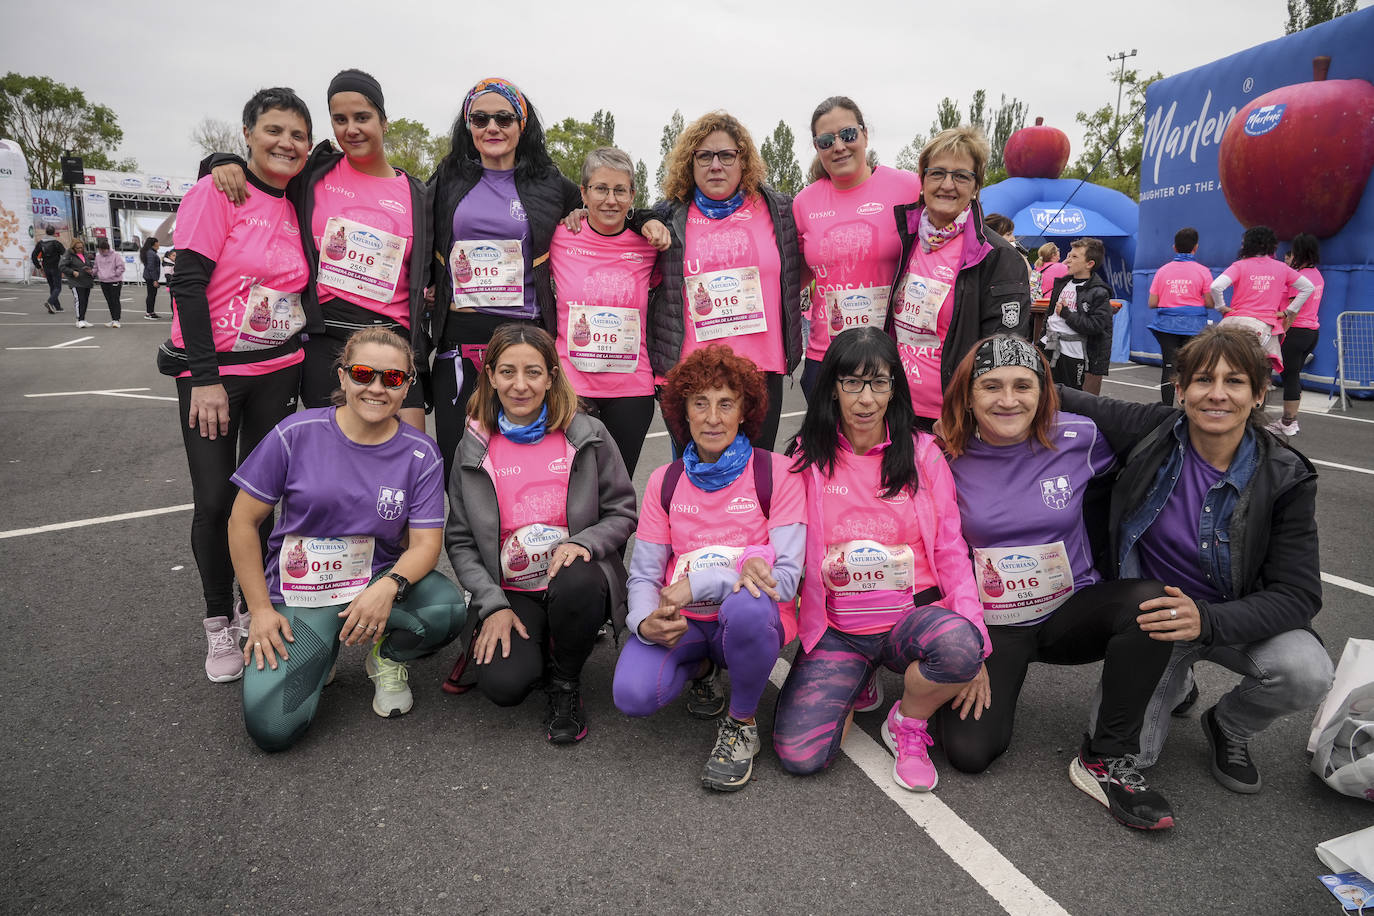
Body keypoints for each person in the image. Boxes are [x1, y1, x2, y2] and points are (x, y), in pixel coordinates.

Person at [1060, 325, 1333, 797]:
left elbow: (1299, 594)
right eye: (1204, 380)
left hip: (1230, 619)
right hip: (1153, 620)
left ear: (1258, 393)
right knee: (1130, 757)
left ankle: (1229, 725)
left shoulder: (1285, 475)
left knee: (1308, 672)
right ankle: (1177, 681)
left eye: (1235, 382)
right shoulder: (1151, 431)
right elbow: (1059, 395)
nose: (1218, 395)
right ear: (1181, 389)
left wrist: (1204, 620)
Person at [936, 334, 1176, 831]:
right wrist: (958, 645)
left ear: (1045, 392)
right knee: (969, 753)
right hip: (993, 626)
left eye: (1024, 386)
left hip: (1071, 610)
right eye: (991, 387)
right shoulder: (941, 453)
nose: (1008, 400)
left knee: (1153, 603)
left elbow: (1170, 427)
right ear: (967, 395)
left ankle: (1106, 758)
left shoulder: (1081, 436)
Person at [230, 328, 465, 751]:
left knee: (447, 608)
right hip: (301, 592)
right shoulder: (294, 433)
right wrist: (260, 610)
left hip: (374, 585)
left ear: (407, 386)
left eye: (393, 379)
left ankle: (386, 656)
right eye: (363, 374)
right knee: (273, 730)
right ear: (342, 378)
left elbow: (426, 546)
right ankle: (322, 651)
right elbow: (242, 523)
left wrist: (388, 588)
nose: (376, 388)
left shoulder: (421, 453)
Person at [774, 327, 985, 793]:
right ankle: (859, 680)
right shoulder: (805, 458)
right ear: (833, 386)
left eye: (879, 383)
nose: (865, 398)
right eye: (853, 382)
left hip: (911, 618)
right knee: (799, 755)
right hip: (839, 627)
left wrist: (977, 638)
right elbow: (778, 539)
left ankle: (907, 724)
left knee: (961, 648)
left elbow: (951, 548)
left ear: (895, 388)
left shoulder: (924, 454)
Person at [162, 87, 313, 683]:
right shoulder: (217, 191)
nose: (287, 144)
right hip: (215, 375)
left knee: (262, 498)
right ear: (248, 133)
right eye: (274, 130)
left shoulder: (296, 195)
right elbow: (189, 285)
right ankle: (218, 622)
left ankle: (260, 608)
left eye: (298, 135)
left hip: (277, 368)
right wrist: (203, 379)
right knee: (214, 500)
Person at [613, 345, 805, 791]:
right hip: (687, 623)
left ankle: (741, 724)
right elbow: (643, 573)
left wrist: (701, 580)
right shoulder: (664, 481)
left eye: (726, 403)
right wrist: (644, 623)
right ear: (684, 413)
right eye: (700, 403)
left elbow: (786, 578)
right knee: (632, 694)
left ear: (745, 411)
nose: (713, 417)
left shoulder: (776, 473)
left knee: (749, 606)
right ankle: (701, 670)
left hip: (747, 618)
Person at [209, 69, 431, 432]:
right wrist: (222, 160)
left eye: (362, 118)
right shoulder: (313, 173)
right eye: (340, 119)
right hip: (326, 343)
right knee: (330, 467)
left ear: (384, 121)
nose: (351, 129)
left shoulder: (419, 195)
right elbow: (263, 171)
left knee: (406, 462)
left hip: (394, 341)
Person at [444, 324, 636, 744]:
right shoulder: (473, 445)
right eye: (508, 372)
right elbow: (459, 540)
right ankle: (531, 639)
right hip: (512, 589)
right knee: (505, 687)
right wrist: (492, 604)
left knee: (579, 578)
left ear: (551, 376)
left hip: (573, 581)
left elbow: (623, 511)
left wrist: (583, 542)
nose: (520, 385)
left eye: (533, 372)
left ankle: (566, 683)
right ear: (490, 375)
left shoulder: (588, 434)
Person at [430, 78, 579, 476]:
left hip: (523, 339)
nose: (492, 127)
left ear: (522, 124)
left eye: (504, 118)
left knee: (521, 464)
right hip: (458, 341)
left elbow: (606, 208)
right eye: (480, 119)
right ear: (468, 126)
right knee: (459, 465)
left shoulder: (549, 181)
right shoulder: (449, 176)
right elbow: (417, 224)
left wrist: (645, 220)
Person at [649, 110, 804, 451]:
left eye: (726, 155)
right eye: (704, 156)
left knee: (755, 481)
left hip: (760, 372)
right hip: (692, 375)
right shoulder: (666, 215)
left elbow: (806, 267)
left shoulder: (779, 211)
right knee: (694, 482)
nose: (715, 165)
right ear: (690, 164)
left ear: (743, 160)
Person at [885, 127, 1032, 427]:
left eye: (961, 176)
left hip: (950, 420)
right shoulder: (905, 238)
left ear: (976, 186)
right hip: (892, 409)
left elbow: (1003, 352)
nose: (947, 185)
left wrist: (968, 418)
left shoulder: (998, 257)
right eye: (937, 173)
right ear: (922, 180)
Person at [792, 96, 921, 400]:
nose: (838, 146)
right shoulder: (804, 203)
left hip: (892, 354)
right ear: (817, 147)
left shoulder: (908, 187)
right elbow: (792, 277)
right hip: (827, 357)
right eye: (826, 141)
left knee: (894, 447)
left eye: (847, 135)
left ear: (865, 135)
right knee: (828, 448)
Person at [550, 147, 661, 474]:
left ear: (632, 196)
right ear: (583, 193)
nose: (610, 199)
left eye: (619, 190)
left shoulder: (649, 244)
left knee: (616, 489)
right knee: (572, 489)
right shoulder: (558, 237)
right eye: (600, 189)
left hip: (631, 390)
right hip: (572, 389)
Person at [1209, 225, 1314, 372]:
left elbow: (1215, 286)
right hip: (1264, 328)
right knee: (1259, 376)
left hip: (1232, 325)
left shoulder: (1239, 266)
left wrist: (1221, 307)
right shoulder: (1282, 268)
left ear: (1247, 244)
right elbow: (1308, 287)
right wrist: (1288, 312)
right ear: (1272, 245)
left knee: (1225, 370)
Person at [1147, 227, 1212, 406]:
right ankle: (1190, 409)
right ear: (1196, 247)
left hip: (1166, 326)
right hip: (1194, 327)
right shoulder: (1203, 271)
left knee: (1169, 366)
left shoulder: (1162, 271)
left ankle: (1166, 411)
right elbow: (1210, 302)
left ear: (1174, 247)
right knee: (1192, 369)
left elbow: (1152, 302)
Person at [1269, 233, 1324, 438]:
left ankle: (1288, 422)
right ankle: (1289, 420)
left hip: (1296, 331)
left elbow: (1293, 311)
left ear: (1298, 252)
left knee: (1290, 376)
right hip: (1311, 332)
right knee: (1293, 376)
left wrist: (1282, 333)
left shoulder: (1299, 278)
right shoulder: (1317, 274)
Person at [1040, 237, 1112, 391]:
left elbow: (1096, 326)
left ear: (1089, 264)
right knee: (1044, 393)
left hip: (1072, 355)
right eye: (1068, 256)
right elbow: (1049, 316)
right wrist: (1041, 339)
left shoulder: (1098, 292)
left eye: (1074, 257)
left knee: (1068, 398)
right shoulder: (1062, 284)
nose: (1068, 261)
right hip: (1048, 345)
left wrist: (1067, 314)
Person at [59, 237, 94, 327]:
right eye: (78, 248)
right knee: (79, 299)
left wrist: (90, 270)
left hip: (86, 280)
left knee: (85, 300)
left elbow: (89, 264)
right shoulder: (68, 255)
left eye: (81, 247)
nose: (80, 249)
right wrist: (72, 272)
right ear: (73, 248)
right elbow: (61, 266)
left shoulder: (85, 254)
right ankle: (79, 319)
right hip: (76, 281)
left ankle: (83, 318)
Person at [31, 225, 65, 313]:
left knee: (52, 287)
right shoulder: (56, 243)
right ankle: (50, 302)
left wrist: (38, 267)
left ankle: (57, 306)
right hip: (56, 267)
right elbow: (65, 254)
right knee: (58, 287)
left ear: (46, 232)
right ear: (54, 232)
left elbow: (34, 256)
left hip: (46, 267)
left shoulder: (40, 243)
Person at [92, 237, 124, 328]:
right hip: (103, 281)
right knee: (109, 301)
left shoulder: (115, 255)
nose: (101, 252)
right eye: (99, 250)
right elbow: (95, 267)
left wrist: (115, 274)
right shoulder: (98, 256)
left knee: (115, 300)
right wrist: (92, 272)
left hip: (115, 281)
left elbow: (121, 267)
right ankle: (113, 319)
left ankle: (116, 320)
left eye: (102, 250)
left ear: (107, 248)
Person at [140, 237, 165, 319]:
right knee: (151, 295)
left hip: (150, 276)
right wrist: (155, 280)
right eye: (157, 242)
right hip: (150, 277)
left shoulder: (150, 252)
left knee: (152, 294)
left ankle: (151, 311)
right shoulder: (150, 253)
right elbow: (151, 267)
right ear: (154, 244)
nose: (159, 244)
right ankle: (149, 313)